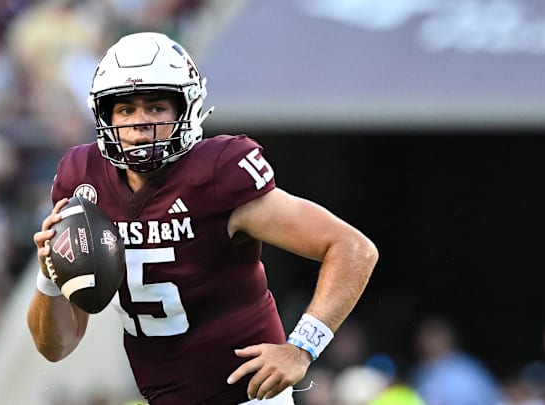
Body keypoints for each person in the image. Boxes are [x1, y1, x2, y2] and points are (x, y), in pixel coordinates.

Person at [27, 32, 378, 405]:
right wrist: (50, 274)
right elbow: (55, 347)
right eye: (126, 110)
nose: (140, 122)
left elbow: (353, 248)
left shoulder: (217, 173)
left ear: (186, 110)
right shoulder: (83, 180)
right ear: (105, 115)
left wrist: (302, 347)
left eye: (156, 107)